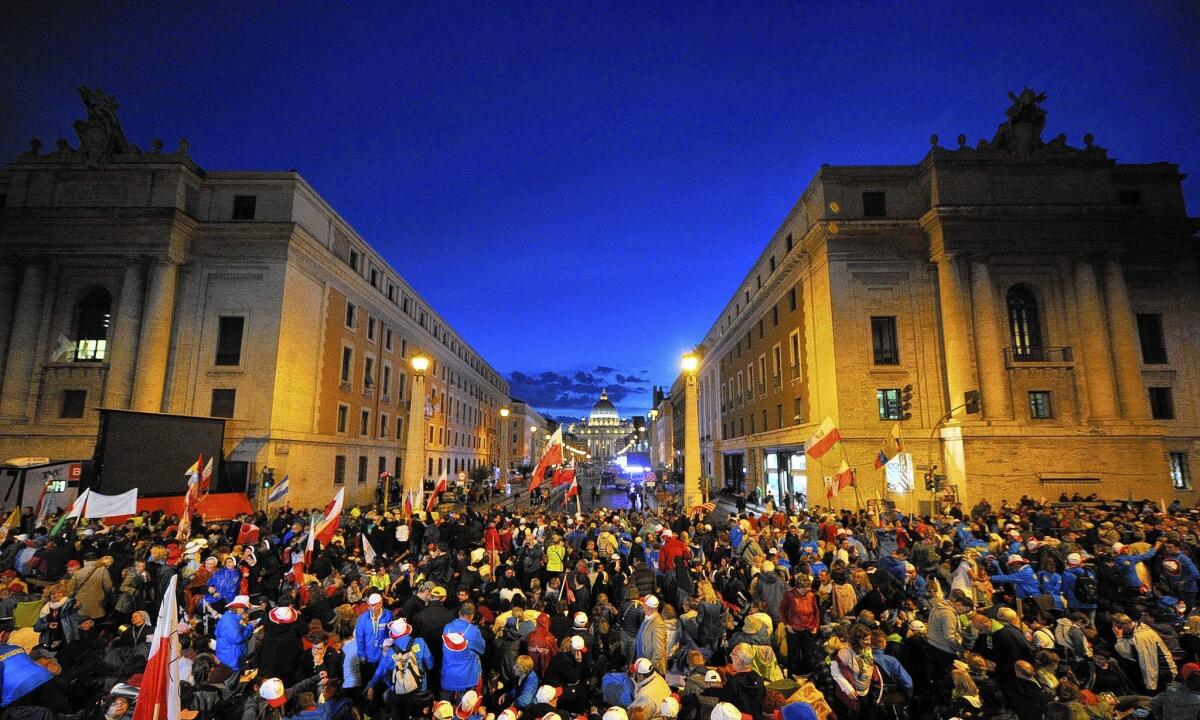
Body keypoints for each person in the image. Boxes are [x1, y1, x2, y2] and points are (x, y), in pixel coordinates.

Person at [366, 618, 433, 720]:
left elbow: (380, 672)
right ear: (407, 629)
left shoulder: (389, 653)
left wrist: (371, 685)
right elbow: (430, 663)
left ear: (393, 635)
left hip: (399, 693)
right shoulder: (420, 642)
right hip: (420, 688)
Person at [1112, 611, 1178, 693]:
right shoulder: (1138, 628)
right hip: (1157, 669)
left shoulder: (1142, 636)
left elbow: (1145, 662)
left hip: (1163, 672)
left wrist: (1119, 637)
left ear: (1124, 625)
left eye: (1117, 627)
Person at [440, 602, 486, 699]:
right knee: (463, 710)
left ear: (459, 612)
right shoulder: (474, 631)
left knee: (444, 709)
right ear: (472, 615)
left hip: (448, 675)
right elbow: (482, 649)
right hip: (466, 679)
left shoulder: (447, 627)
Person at [215, 594, 257, 672]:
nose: (247, 612)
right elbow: (238, 638)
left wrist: (247, 624)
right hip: (232, 659)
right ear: (239, 609)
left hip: (228, 655)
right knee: (233, 677)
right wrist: (250, 627)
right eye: (246, 609)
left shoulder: (230, 616)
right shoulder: (230, 622)